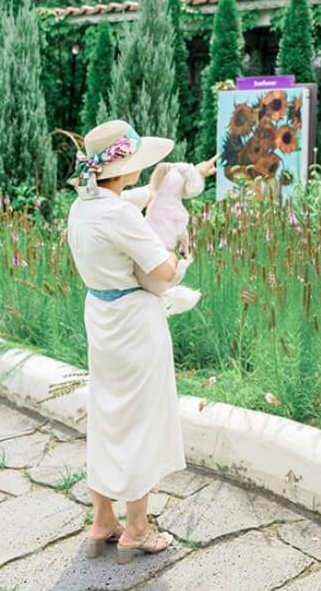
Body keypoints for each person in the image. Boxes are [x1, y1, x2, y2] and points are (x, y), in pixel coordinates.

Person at [65, 119, 216, 564]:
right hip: (135, 319)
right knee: (142, 421)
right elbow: (163, 271)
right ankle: (136, 530)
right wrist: (182, 254)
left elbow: (144, 197)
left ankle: (102, 522)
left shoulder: (83, 207)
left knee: (108, 415)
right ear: (123, 167)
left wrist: (193, 175)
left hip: (101, 315)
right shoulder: (121, 216)